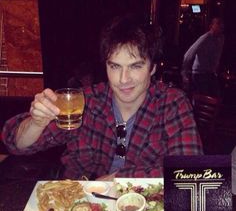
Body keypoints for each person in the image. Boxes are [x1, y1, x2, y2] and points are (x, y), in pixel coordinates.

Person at [2, 14, 203, 181]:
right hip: (75, 207)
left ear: (152, 68)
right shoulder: (86, 101)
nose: (123, 79)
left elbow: (192, 172)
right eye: (115, 66)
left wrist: (117, 179)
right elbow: (14, 143)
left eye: (135, 66)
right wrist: (36, 123)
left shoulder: (172, 103)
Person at [182, 17, 224, 97]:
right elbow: (188, 54)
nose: (220, 26)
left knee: (217, 96)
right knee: (204, 97)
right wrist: (184, 73)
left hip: (210, 73)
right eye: (218, 24)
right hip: (200, 73)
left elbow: (217, 55)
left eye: (221, 24)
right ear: (211, 26)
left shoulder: (221, 39)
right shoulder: (205, 38)